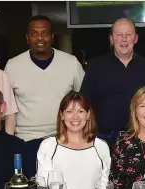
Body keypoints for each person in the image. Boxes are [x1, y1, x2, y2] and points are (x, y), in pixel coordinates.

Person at [5, 15, 85, 178]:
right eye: (34, 34)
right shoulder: (13, 66)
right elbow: (7, 109)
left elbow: (84, 101)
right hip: (26, 142)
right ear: (27, 38)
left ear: (52, 36)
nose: (40, 38)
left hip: (63, 139)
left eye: (45, 33)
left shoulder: (71, 63)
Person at [80, 18, 145, 151]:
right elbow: (84, 103)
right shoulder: (96, 67)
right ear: (111, 39)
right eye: (119, 35)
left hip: (140, 137)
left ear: (136, 38)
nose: (124, 39)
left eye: (128, 34)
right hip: (104, 139)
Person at [36, 92, 110, 189]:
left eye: (81, 111)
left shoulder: (101, 147)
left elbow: (104, 188)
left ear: (88, 115)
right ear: (62, 115)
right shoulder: (48, 146)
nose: (75, 117)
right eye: (69, 112)